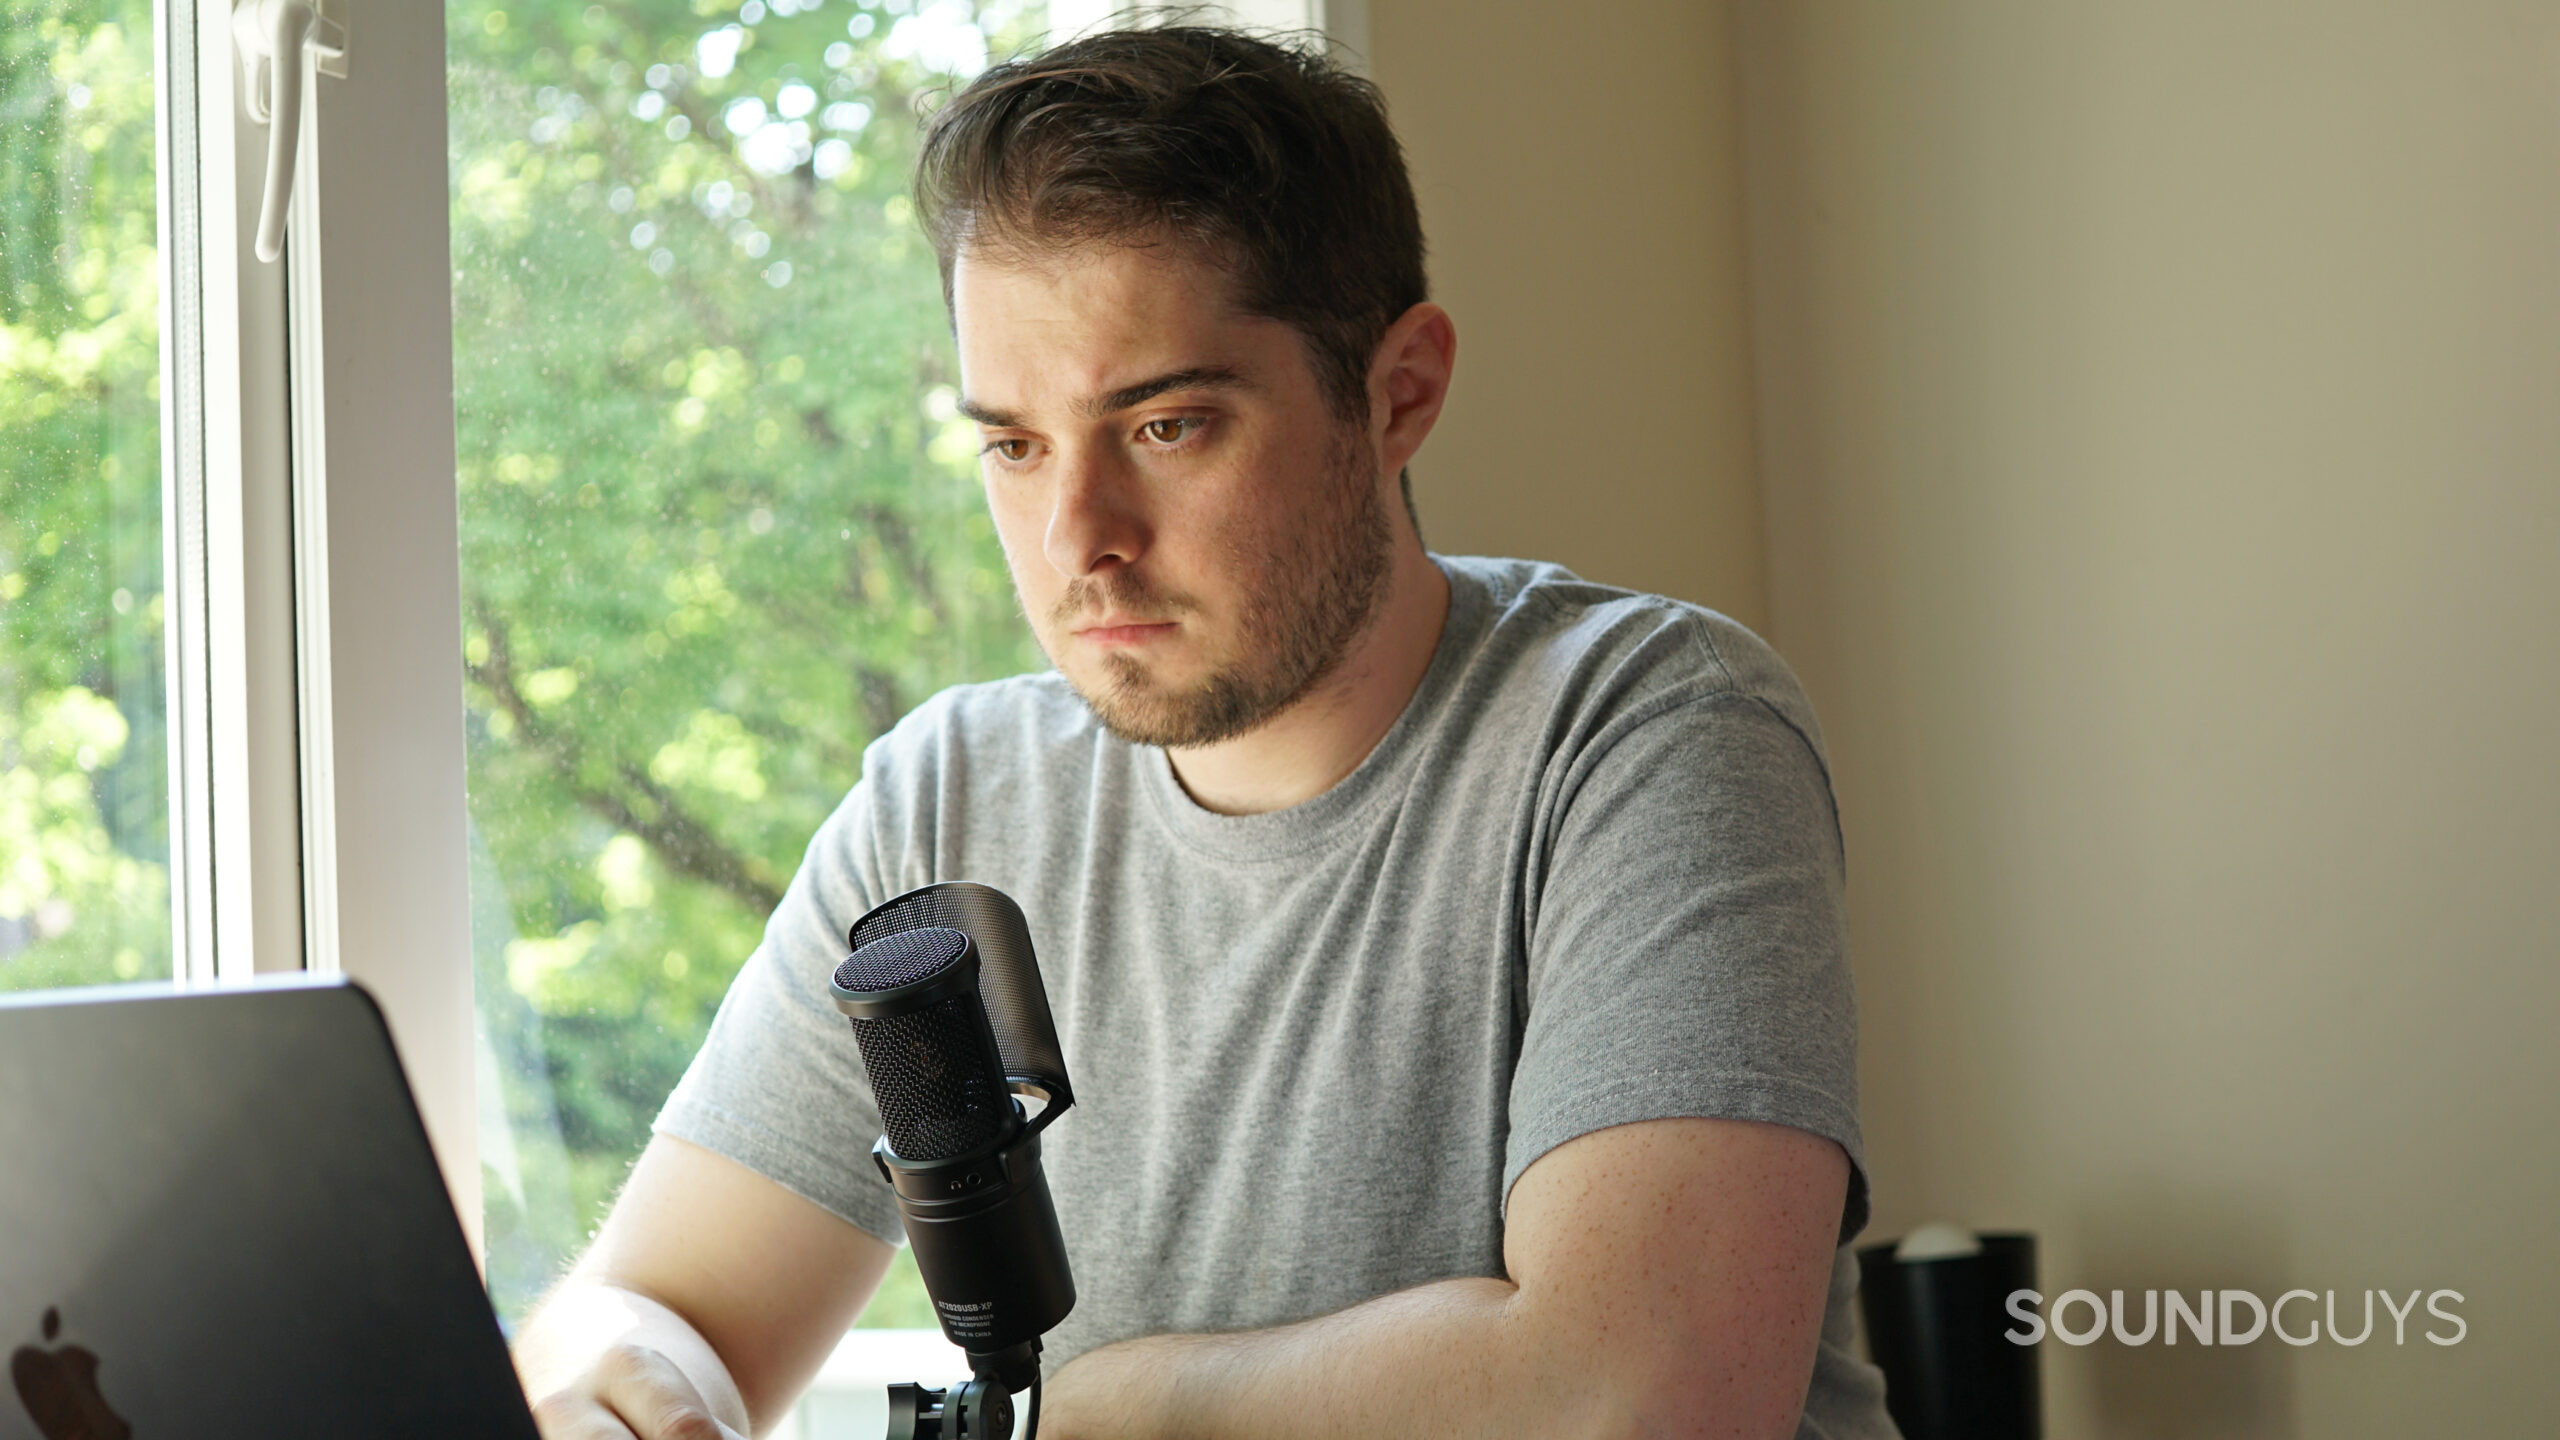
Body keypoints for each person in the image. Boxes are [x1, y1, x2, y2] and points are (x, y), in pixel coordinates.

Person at [514, 26, 1896, 1440]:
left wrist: (1102, 1410)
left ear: (1399, 391)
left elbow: (1639, 1395)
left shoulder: (1643, 725)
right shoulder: (948, 802)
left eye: (1165, 427)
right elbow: (655, 1304)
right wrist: (632, 1389)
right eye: (1013, 445)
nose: (1076, 542)